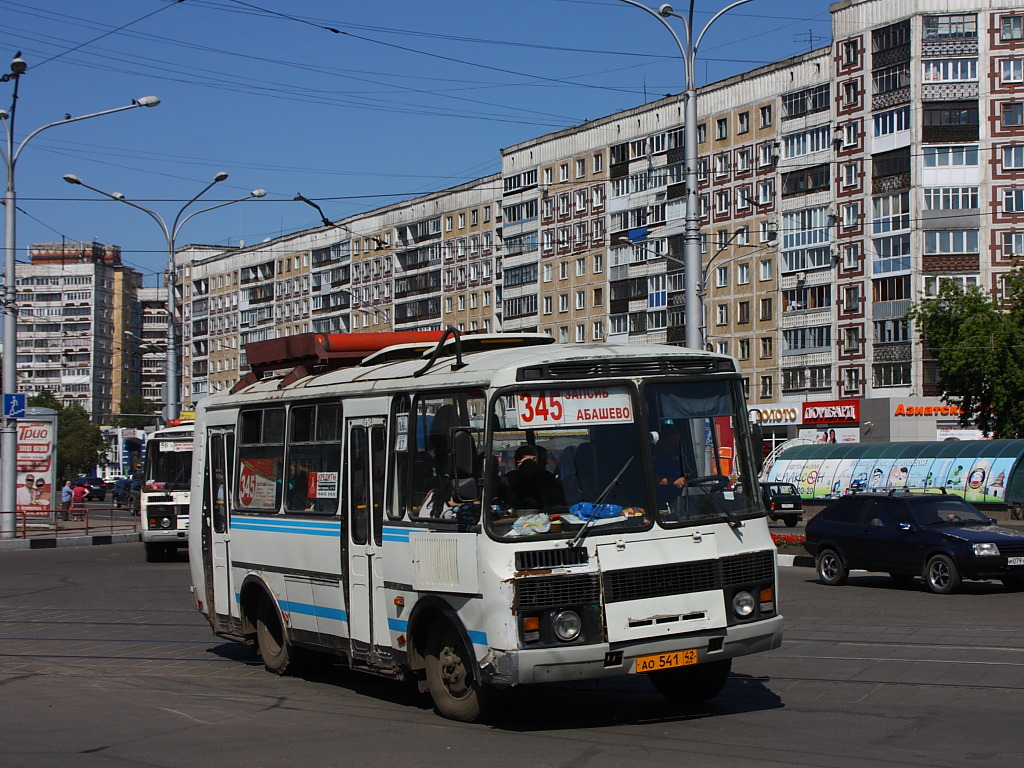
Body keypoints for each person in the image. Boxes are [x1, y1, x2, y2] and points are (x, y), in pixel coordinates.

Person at [494, 444, 566, 511]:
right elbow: (501, 505)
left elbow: (557, 504)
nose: (519, 461)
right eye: (517, 458)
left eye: (523, 458)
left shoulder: (549, 480)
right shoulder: (508, 480)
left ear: (535, 459)